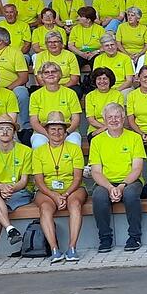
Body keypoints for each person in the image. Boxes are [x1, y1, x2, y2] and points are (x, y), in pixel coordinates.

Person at [30, 111, 87, 263]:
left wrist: (66, 194)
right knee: (45, 208)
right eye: (53, 129)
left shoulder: (74, 149)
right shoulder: (39, 152)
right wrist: (54, 195)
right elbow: (38, 181)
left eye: (60, 129)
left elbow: (77, 177)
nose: (56, 132)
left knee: (75, 204)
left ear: (65, 131)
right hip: (46, 190)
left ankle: (72, 247)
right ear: (47, 131)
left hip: (73, 188)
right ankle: (54, 249)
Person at [89, 103, 146, 252]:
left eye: (117, 116)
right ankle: (105, 238)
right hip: (106, 182)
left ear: (123, 118)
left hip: (130, 181)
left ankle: (135, 236)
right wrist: (109, 187)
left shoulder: (134, 138)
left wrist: (121, 186)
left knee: (130, 194)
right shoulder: (96, 141)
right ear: (104, 119)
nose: (114, 120)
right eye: (110, 117)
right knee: (98, 196)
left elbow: (137, 169)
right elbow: (96, 172)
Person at [28, 61, 82, 148]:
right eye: (46, 72)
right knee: (38, 144)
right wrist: (49, 135)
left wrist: (66, 133)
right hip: (43, 132)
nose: (50, 74)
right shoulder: (35, 95)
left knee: (74, 142)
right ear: (41, 76)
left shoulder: (70, 93)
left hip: (67, 131)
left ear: (60, 74)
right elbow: (34, 121)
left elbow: (76, 119)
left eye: (54, 71)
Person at [84, 67, 125, 139]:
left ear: (110, 80)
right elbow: (91, 120)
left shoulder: (118, 94)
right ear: (95, 81)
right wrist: (106, 128)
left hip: (116, 128)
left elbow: (120, 116)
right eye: (99, 79)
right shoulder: (90, 96)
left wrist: (110, 128)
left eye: (105, 78)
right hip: (96, 129)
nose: (102, 81)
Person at [67, 6, 105, 71]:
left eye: (80, 16)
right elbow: (70, 45)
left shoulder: (100, 29)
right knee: (74, 63)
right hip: (79, 53)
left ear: (88, 20)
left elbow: (105, 45)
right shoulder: (75, 29)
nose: (78, 18)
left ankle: (92, 80)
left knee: (97, 63)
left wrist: (96, 52)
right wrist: (81, 53)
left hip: (95, 54)